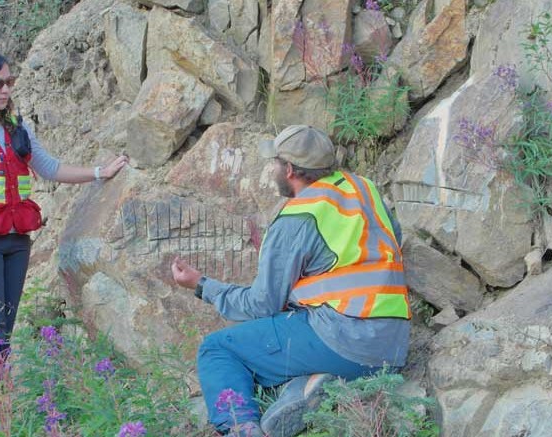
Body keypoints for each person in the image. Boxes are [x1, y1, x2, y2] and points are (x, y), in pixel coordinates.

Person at [171, 125, 411, 437]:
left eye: (274, 164)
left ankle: (242, 430)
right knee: (297, 325)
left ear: (289, 170)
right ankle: (307, 388)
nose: (271, 170)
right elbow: (394, 237)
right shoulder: (362, 187)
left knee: (218, 349)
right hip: (392, 345)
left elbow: (262, 304)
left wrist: (202, 285)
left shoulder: (298, 216)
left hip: (345, 339)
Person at [0, 49, 128, 400]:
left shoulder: (16, 128)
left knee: (3, 333)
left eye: (10, 82)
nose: (7, 90)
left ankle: (1, 414)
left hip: (16, 242)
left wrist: (100, 173)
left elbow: (51, 168)